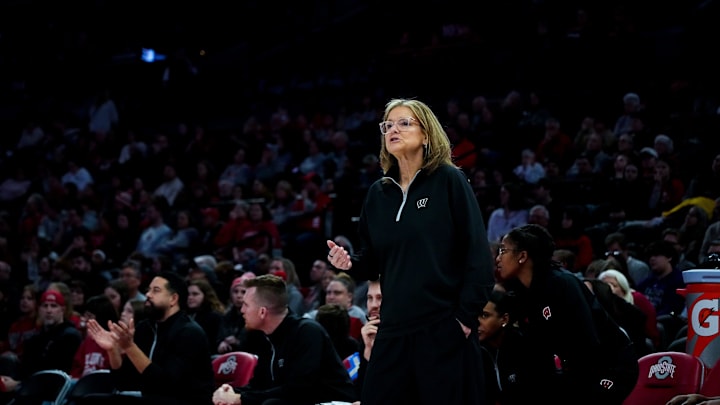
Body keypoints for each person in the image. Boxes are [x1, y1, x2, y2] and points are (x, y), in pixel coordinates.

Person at [326, 98, 495, 404]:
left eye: (404, 123)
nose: (393, 129)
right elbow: (374, 262)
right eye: (388, 125)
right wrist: (349, 262)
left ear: (427, 134)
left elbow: (477, 255)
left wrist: (464, 320)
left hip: (442, 326)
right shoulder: (378, 193)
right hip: (393, 328)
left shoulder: (449, 180)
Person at [497, 224, 638, 405]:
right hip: (572, 370)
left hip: (610, 367)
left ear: (523, 256)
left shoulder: (563, 284)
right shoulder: (522, 292)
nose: (498, 258)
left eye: (503, 250)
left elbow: (589, 344)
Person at [211, 274, 356, 405]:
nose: (242, 310)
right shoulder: (266, 337)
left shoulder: (307, 332)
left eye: (246, 305)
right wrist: (230, 392)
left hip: (333, 401)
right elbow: (259, 385)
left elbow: (298, 390)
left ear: (262, 312)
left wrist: (241, 398)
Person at [86, 271, 215, 405]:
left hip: (185, 400)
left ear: (173, 299)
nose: (148, 294)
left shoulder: (189, 333)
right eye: (148, 290)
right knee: (90, 400)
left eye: (156, 290)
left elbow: (165, 383)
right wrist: (113, 350)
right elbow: (123, 383)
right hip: (154, 399)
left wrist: (129, 347)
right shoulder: (145, 328)